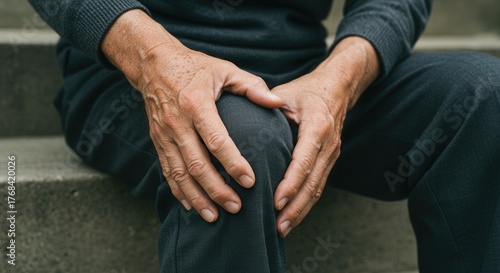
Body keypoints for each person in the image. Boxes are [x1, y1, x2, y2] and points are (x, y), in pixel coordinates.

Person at [28, 0, 500, 272]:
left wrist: (337, 82)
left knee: (485, 95)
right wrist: (153, 60)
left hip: (302, 70)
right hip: (134, 70)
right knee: (239, 141)